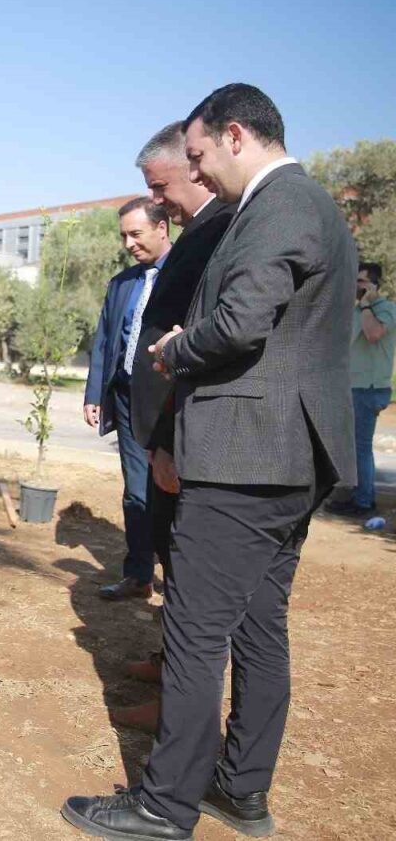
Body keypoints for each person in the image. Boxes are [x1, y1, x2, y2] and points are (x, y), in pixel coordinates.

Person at [64, 83, 357, 841]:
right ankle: (241, 790)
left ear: (234, 136)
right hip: (276, 456)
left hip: (244, 455)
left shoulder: (281, 202)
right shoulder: (294, 204)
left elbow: (239, 320)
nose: (195, 173)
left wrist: (174, 347)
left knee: (196, 632)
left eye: (196, 156)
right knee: (260, 629)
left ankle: (164, 804)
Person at [112, 121, 236, 733]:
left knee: (185, 580)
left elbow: (198, 345)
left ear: (194, 165)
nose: (156, 201)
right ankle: (169, 668)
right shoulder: (201, 230)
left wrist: (167, 442)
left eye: (160, 188)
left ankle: (179, 707)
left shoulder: (219, 230)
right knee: (167, 558)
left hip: (178, 436)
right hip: (159, 429)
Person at [82, 197, 172, 601]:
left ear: (162, 228)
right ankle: (139, 575)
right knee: (136, 490)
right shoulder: (122, 284)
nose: (128, 243)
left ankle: (180, 582)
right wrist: (94, 393)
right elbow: (103, 341)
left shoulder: (188, 276)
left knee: (173, 492)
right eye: (124, 236)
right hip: (125, 397)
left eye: (135, 234)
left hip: (170, 403)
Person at [326, 261, 394, 517]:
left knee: (361, 447)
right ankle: (354, 495)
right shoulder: (355, 312)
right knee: (352, 446)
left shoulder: (386, 309)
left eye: (361, 282)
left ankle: (363, 501)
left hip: (370, 389)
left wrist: (366, 304)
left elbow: (373, 334)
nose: (355, 286)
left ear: (374, 285)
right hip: (352, 387)